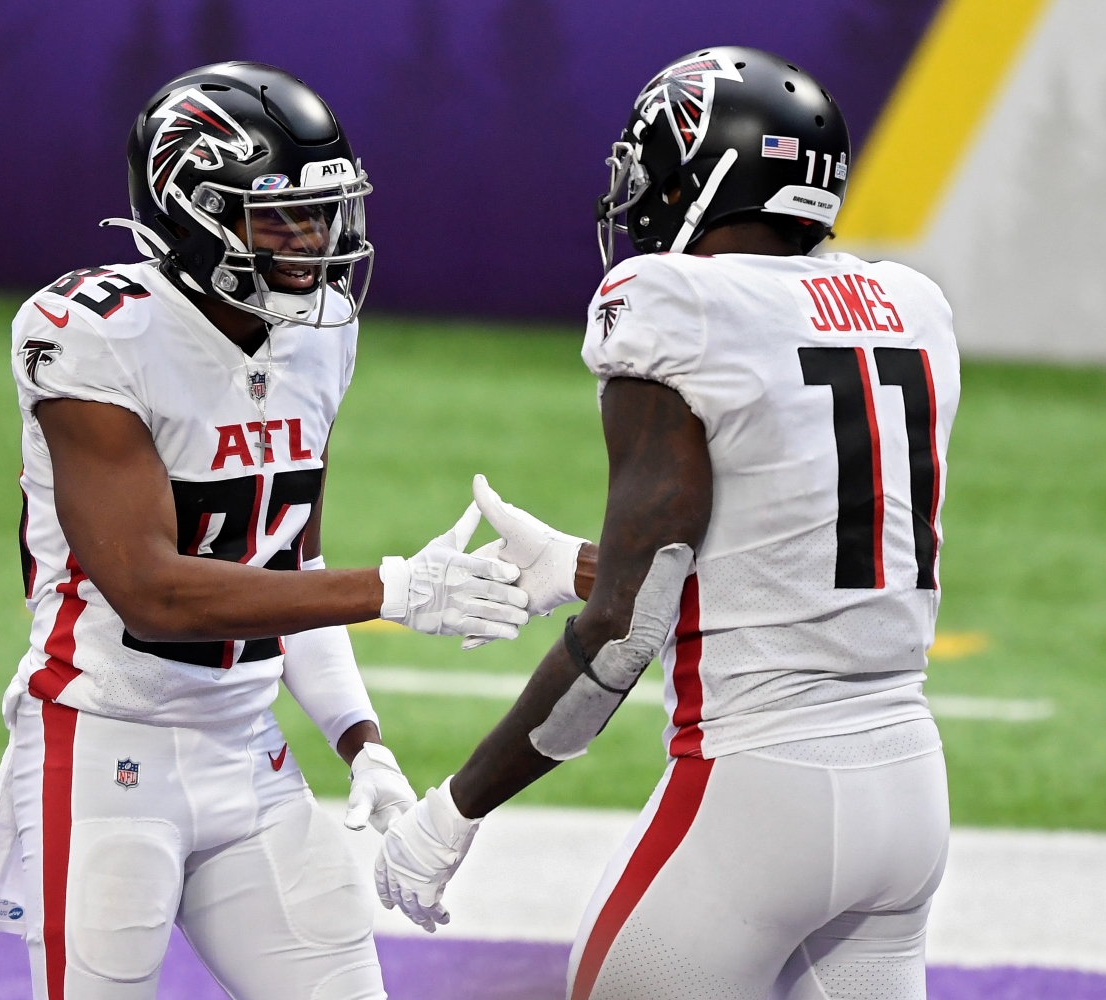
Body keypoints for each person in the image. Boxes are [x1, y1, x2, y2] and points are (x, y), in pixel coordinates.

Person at [374, 46, 959, 1000]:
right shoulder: (914, 306)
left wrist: (455, 808)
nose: (634, 197)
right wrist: (582, 566)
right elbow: (792, 552)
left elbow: (625, 633)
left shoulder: (673, 302)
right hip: (908, 785)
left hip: (760, 792)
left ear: (710, 172)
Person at [0, 61, 531, 1000]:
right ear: (190, 209)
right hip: (105, 745)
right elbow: (153, 589)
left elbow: (287, 566)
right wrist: (395, 591)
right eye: (280, 217)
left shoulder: (318, 329)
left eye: (322, 213)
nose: (313, 242)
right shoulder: (93, 331)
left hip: (247, 753)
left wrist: (358, 736)